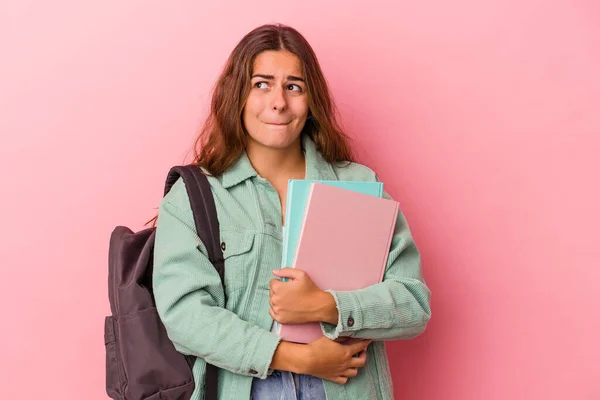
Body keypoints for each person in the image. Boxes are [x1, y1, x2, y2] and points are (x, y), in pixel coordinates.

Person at [153, 23, 432, 400]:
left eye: (294, 86)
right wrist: (299, 358)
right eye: (261, 84)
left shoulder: (359, 186)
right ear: (236, 94)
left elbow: (413, 304)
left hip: (346, 389)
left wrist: (328, 305)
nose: (279, 102)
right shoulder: (194, 195)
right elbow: (186, 316)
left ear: (310, 99)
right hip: (245, 387)